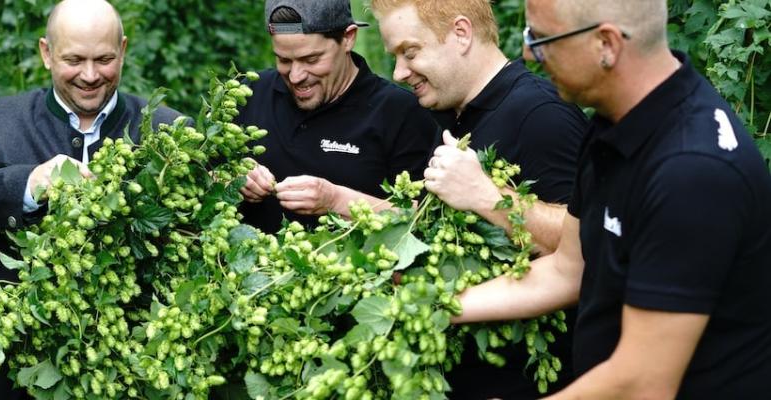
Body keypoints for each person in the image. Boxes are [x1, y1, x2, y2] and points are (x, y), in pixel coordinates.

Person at [449, 0, 771, 398]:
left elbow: (643, 383)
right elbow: (568, 270)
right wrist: (440, 306)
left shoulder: (691, 172)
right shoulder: (616, 121)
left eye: (542, 38)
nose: (529, 52)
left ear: (607, 44)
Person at [0, 1, 182, 398]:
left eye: (104, 59)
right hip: (11, 358)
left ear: (124, 50)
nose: (90, 75)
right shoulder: (0, 121)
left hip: (127, 363)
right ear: (46, 53)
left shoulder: (166, 130)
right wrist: (28, 183)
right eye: (74, 59)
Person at [371, 0, 587, 397]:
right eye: (395, 57)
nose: (399, 72)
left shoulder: (541, 114)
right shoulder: (446, 113)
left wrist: (487, 196)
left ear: (461, 33)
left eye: (410, 52)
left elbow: (585, 245)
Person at [236, 0, 439, 234]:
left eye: (311, 60)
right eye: (284, 60)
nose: (295, 76)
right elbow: (202, 177)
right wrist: (231, 178)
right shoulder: (249, 92)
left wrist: (337, 201)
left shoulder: (400, 112)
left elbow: (425, 220)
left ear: (348, 38)